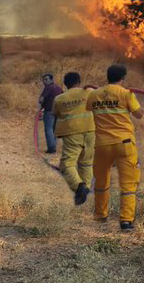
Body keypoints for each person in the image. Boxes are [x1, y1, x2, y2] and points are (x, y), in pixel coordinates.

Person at [88, 63, 143, 230]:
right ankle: (126, 221)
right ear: (123, 78)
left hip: (102, 145)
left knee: (102, 181)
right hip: (124, 144)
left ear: (107, 76)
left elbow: (88, 108)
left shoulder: (94, 95)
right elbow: (139, 115)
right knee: (128, 183)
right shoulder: (126, 93)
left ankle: (100, 215)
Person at [53, 71, 96, 205]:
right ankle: (85, 188)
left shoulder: (60, 98)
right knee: (86, 162)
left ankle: (79, 187)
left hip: (72, 133)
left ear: (65, 84)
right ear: (79, 81)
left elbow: (55, 113)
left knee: (67, 164)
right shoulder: (89, 93)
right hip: (91, 131)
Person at [38, 73, 64, 154]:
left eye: (46, 79)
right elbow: (63, 97)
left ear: (51, 80)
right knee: (54, 130)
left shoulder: (48, 87)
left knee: (48, 129)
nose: (44, 81)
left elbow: (41, 99)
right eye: (43, 80)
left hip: (49, 111)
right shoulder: (58, 88)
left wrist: (41, 104)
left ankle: (51, 148)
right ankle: (53, 147)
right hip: (58, 111)